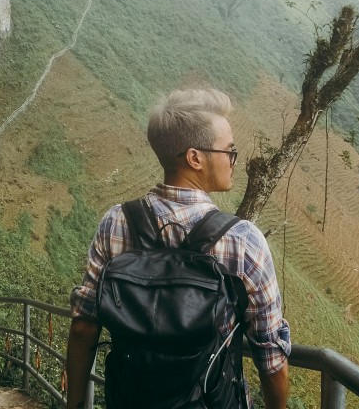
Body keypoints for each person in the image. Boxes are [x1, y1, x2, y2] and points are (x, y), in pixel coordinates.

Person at [65, 88, 291, 409]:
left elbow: (84, 326)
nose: (233, 161)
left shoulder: (116, 221)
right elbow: (270, 360)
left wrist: (74, 406)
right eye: (229, 151)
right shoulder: (243, 241)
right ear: (195, 158)